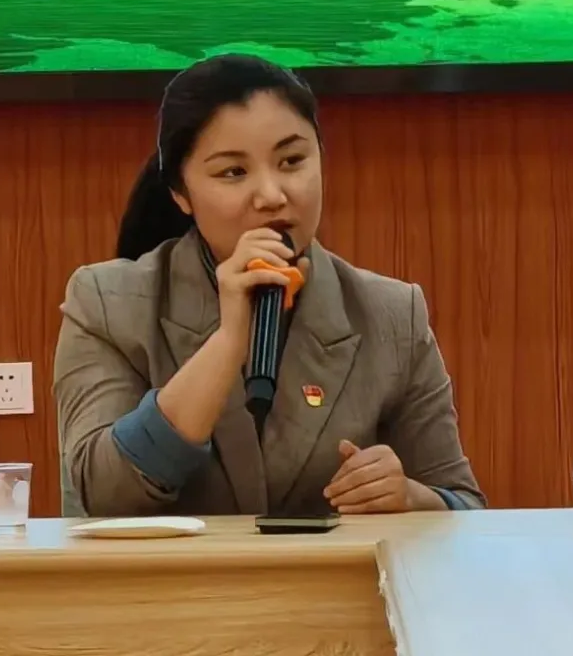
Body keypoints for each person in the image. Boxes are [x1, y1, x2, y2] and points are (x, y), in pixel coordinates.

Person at [53, 54, 484, 518]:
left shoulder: (393, 314)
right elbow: (102, 493)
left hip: (334, 570)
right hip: (169, 570)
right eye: (233, 172)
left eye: (292, 161)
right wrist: (227, 343)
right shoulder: (106, 303)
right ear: (180, 193)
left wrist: (411, 497)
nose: (273, 195)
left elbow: (465, 509)